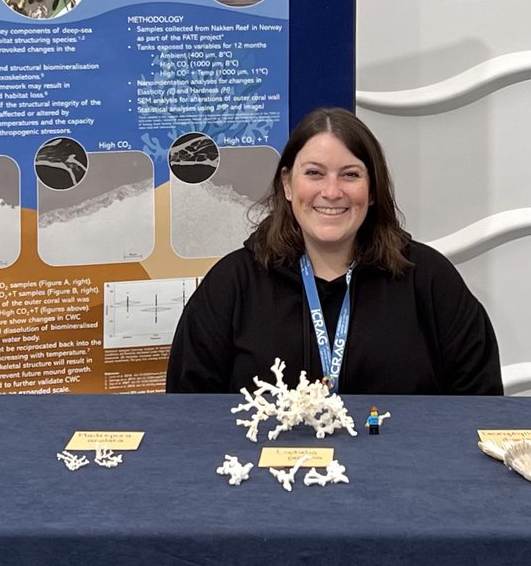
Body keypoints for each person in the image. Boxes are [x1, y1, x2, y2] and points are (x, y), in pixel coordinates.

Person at [166, 107, 504, 395]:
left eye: (350, 175)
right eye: (314, 173)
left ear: (372, 190)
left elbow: (479, 410)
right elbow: (188, 418)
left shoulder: (430, 280)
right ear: (287, 184)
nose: (331, 191)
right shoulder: (231, 285)